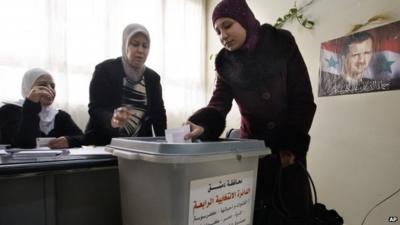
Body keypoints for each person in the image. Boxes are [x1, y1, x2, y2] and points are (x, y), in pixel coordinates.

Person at [184, 0, 316, 224]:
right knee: (253, 213)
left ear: (244, 19)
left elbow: (302, 97)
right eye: (217, 31)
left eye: (227, 25)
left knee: (293, 210)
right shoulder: (224, 63)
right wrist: (202, 124)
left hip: (289, 147)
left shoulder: (281, 42)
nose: (223, 35)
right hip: (253, 151)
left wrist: (290, 144)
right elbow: (219, 102)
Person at [84, 23, 167, 146]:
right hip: (105, 144)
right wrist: (113, 119)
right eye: (135, 44)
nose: (140, 50)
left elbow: (159, 115)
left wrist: (165, 144)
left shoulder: (153, 78)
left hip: (140, 148)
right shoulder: (105, 70)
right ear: (125, 45)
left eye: (145, 46)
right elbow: (96, 108)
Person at [0, 68, 83, 149]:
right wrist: (31, 104)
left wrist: (69, 141)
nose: (50, 89)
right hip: (19, 163)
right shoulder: (9, 110)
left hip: (55, 162)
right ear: (28, 88)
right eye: (42, 85)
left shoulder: (60, 115)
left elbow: (83, 138)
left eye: (52, 86)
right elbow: (26, 143)